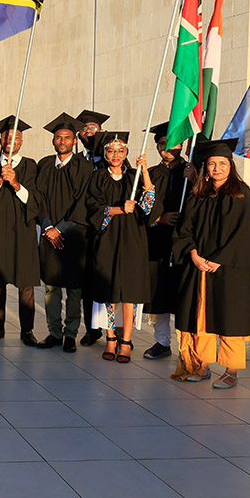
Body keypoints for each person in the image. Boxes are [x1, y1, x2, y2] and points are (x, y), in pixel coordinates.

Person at [170, 139, 250, 387]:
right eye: (212, 164)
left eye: (222, 163)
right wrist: (194, 254)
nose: (217, 168)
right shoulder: (198, 195)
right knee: (200, 318)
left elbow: (246, 233)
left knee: (229, 318)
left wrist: (219, 259)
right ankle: (202, 365)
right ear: (205, 168)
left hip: (230, 268)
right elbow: (183, 229)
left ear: (230, 165)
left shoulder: (241, 194)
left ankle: (231, 371)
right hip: (198, 266)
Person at [85, 132, 157, 363]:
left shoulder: (134, 177)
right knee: (109, 291)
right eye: (111, 151)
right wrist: (117, 209)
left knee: (129, 291)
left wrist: (145, 171)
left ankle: (125, 341)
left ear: (126, 153)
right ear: (105, 154)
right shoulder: (97, 178)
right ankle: (110, 338)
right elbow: (92, 208)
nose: (116, 155)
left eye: (120, 151)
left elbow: (148, 205)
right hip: (106, 239)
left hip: (133, 239)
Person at [0, 116, 41, 346]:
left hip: (22, 231)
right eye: (7, 136)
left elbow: (36, 200)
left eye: (16, 138)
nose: (11, 141)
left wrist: (15, 183)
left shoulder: (31, 166)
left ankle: (27, 330)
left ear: (21, 142)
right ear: (0, 139)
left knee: (26, 284)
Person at [34, 113, 93, 352]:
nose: (62, 141)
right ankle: (54, 332)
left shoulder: (85, 167)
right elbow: (37, 198)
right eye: (58, 137)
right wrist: (48, 227)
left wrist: (60, 228)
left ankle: (71, 334)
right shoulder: (45, 165)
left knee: (74, 288)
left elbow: (83, 203)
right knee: (51, 287)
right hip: (50, 235)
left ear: (74, 141)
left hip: (75, 235)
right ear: (53, 141)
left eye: (67, 138)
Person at [144, 122, 198, 360]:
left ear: (183, 143)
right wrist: (158, 217)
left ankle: (186, 347)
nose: (168, 147)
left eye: (173, 142)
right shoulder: (151, 174)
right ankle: (162, 342)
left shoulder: (191, 171)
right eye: (163, 143)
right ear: (158, 147)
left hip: (185, 243)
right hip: (157, 240)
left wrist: (196, 179)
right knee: (159, 294)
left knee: (183, 294)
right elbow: (140, 206)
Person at [76, 109, 110, 346]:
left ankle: (112, 329)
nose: (89, 132)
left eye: (94, 128)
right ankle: (91, 328)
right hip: (82, 229)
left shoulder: (114, 158)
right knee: (86, 281)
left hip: (107, 228)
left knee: (107, 278)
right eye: (86, 128)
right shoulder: (77, 161)